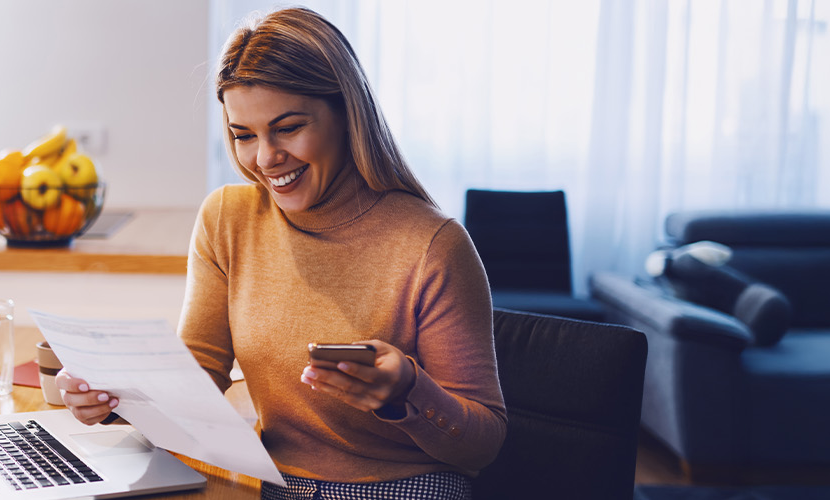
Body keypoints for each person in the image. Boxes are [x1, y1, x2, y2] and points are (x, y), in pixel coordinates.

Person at [56, 7, 505, 499]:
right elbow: (196, 381)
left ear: (345, 113)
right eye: (243, 136)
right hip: (275, 483)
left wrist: (405, 394)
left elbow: (482, 444)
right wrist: (115, 400)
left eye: (288, 128)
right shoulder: (227, 219)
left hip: (407, 486)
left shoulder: (432, 244)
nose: (265, 158)